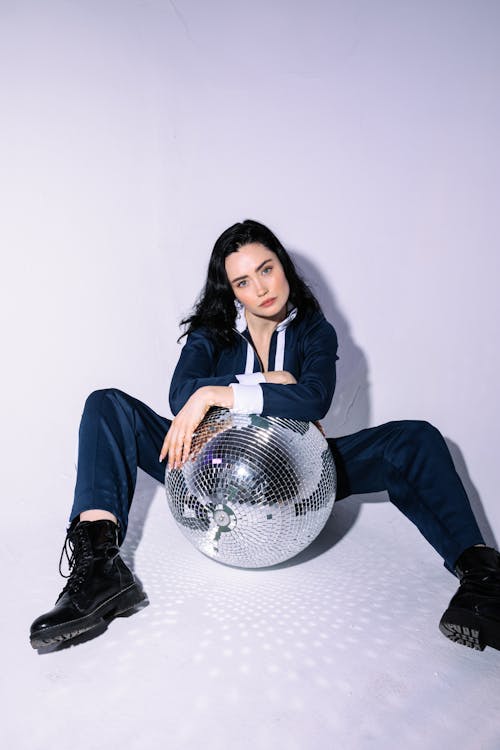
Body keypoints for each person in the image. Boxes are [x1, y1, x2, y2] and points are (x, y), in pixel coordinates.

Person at [30, 219, 500, 652]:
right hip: (203, 460)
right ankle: (100, 572)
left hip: (301, 471)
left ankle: (483, 582)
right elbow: (181, 396)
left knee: (416, 438)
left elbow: (313, 399)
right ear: (231, 291)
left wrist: (218, 393)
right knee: (106, 404)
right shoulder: (212, 334)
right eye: (243, 282)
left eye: (267, 269)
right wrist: (266, 385)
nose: (261, 288)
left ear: (282, 264)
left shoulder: (315, 332)